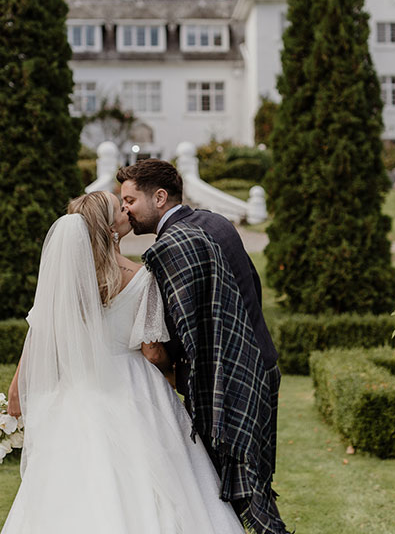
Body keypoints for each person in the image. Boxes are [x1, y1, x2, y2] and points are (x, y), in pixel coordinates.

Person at [1, 191, 245, 534]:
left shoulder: (68, 277)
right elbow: (151, 351)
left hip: (81, 386)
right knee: (161, 479)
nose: (127, 212)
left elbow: (40, 334)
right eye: (120, 209)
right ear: (110, 227)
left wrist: (16, 389)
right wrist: (175, 377)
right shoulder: (142, 276)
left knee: (74, 482)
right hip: (134, 385)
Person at [117, 159, 288, 534]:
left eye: (130, 199)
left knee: (242, 488)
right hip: (261, 360)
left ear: (159, 197)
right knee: (254, 479)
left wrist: (173, 370)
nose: (125, 208)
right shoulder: (215, 222)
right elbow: (250, 292)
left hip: (229, 378)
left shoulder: (175, 244)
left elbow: (189, 325)